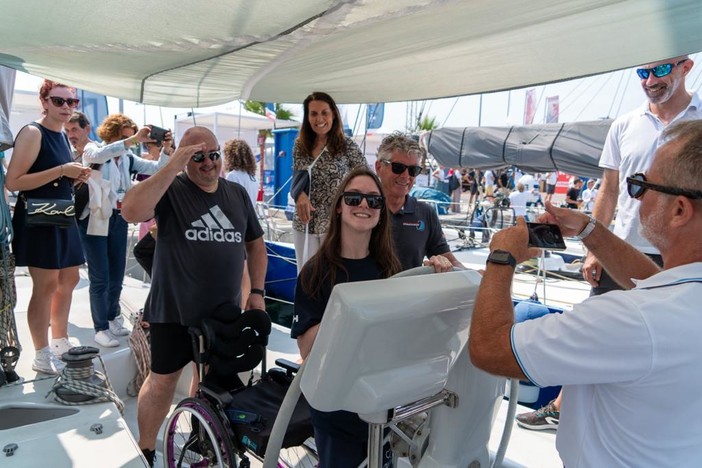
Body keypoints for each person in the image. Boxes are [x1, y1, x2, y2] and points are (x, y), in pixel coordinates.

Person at [469, 119, 702, 466]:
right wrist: (589, 230)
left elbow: (489, 349)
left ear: (680, 210)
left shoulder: (632, 319)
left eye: (639, 185)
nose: (633, 197)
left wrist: (502, 257)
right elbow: (654, 282)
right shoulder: (678, 302)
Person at [517, 55, 701, 430]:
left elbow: (494, 353)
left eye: (660, 70)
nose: (649, 79)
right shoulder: (624, 125)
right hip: (623, 244)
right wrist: (592, 244)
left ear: (686, 67)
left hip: (685, 251)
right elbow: (611, 189)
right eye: (642, 72)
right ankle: (562, 406)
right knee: (598, 325)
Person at [121, 126, 267, 467]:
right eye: (197, 156)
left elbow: (255, 245)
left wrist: (257, 293)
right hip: (173, 310)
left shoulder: (236, 194)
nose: (207, 163)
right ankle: (145, 451)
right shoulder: (171, 189)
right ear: (184, 158)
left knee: (210, 381)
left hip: (223, 313)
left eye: (213, 154)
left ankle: (202, 441)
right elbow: (130, 210)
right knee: (162, 382)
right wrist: (172, 165)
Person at [291, 166, 401, 467]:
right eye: (353, 198)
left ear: (381, 212)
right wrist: (349, 312)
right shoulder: (315, 272)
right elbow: (307, 349)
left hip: (381, 403)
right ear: (339, 206)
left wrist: (437, 272)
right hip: (336, 408)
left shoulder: (389, 269)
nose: (363, 205)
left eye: (373, 201)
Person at [5, 80, 91, 373]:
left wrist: (72, 178)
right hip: (40, 215)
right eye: (59, 101)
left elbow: (52, 178)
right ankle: (41, 353)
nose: (67, 107)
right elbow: (13, 182)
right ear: (44, 101)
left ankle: (59, 340)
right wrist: (62, 171)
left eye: (72, 102)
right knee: (46, 286)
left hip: (59, 211)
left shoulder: (62, 135)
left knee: (69, 279)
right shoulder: (32, 132)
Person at [79, 114, 170, 348]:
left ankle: (111, 317)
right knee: (100, 276)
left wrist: (167, 149)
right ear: (112, 134)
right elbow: (95, 157)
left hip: (119, 218)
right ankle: (100, 327)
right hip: (95, 219)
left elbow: (158, 168)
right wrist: (131, 142)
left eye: (132, 137)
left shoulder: (127, 158)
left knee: (117, 274)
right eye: (125, 137)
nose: (131, 141)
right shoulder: (93, 148)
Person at [291, 92, 366, 272]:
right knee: (306, 276)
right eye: (314, 114)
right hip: (305, 222)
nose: (319, 119)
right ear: (307, 117)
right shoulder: (300, 145)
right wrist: (300, 195)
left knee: (332, 276)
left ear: (333, 114)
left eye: (324, 113)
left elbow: (365, 180)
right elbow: (298, 177)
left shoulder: (347, 146)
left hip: (335, 224)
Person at [374, 132, 462, 272]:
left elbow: (449, 260)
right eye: (398, 167)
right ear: (379, 167)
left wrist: (477, 277)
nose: (405, 176)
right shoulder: (362, 208)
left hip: (409, 293)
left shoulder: (425, 213)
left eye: (413, 170)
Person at [223, 137, 260, 307]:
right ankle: (246, 306)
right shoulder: (252, 178)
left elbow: (228, 204)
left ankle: (240, 306)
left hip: (236, 226)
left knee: (239, 271)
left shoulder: (232, 176)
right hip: (250, 225)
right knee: (247, 272)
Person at [224, 137, 259, 209]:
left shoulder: (233, 176)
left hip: (238, 217)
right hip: (249, 216)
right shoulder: (253, 177)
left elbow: (230, 202)